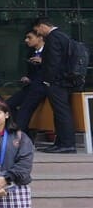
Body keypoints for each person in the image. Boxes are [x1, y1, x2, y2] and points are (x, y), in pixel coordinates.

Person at [31, 17, 78, 153]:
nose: (38, 34)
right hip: (63, 80)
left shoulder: (53, 38)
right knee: (60, 112)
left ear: (42, 26)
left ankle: (66, 144)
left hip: (56, 82)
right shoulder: (62, 36)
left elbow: (53, 62)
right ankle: (61, 143)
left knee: (61, 113)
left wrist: (48, 80)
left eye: (37, 30)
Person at [6, 28, 48, 132]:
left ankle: (19, 133)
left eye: (30, 38)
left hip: (43, 86)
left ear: (40, 38)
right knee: (7, 105)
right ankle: (18, 128)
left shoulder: (49, 51)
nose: (26, 40)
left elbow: (56, 67)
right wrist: (28, 78)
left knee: (25, 109)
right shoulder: (30, 52)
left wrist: (43, 61)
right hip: (31, 86)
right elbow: (32, 72)